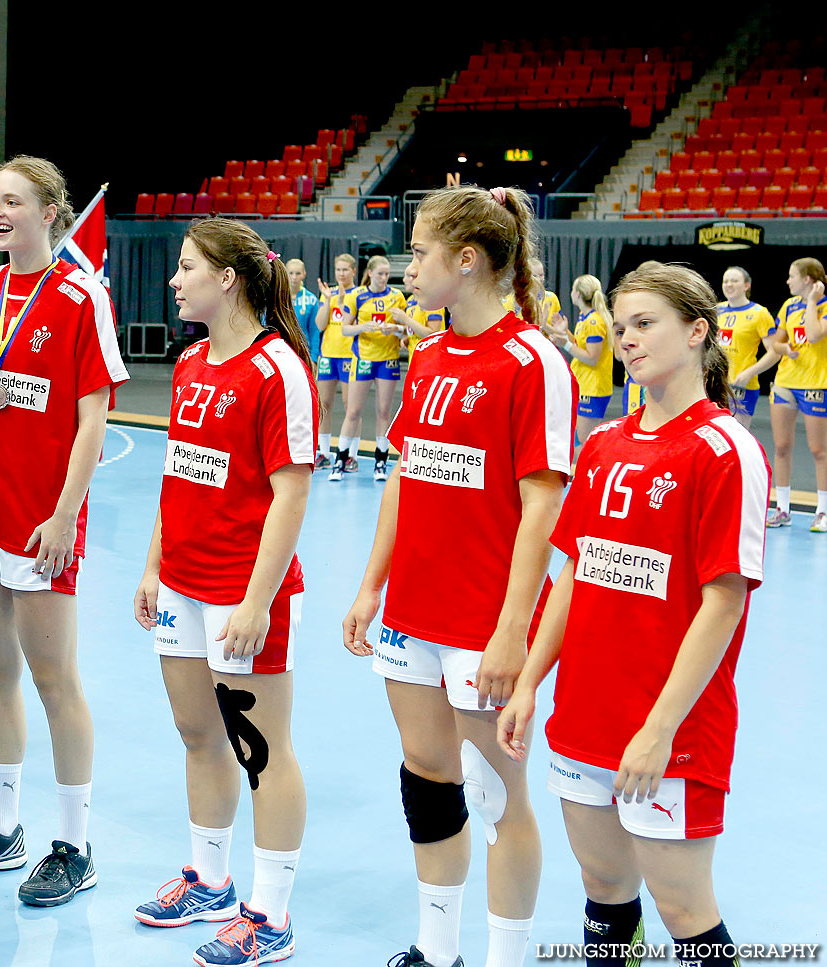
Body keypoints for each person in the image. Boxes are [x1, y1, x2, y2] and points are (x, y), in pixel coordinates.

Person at [499, 261, 768, 967]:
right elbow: (576, 572)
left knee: (683, 909)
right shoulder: (605, 445)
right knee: (603, 886)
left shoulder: (723, 449)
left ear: (697, 331)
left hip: (669, 728)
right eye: (620, 328)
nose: (627, 340)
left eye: (645, 324)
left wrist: (657, 729)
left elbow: (724, 599)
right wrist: (529, 681)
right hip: (584, 714)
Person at [342, 186, 575, 967]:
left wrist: (515, 633)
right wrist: (373, 583)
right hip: (412, 612)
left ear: (467, 260)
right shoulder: (433, 355)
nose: (407, 267)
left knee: (499, 797)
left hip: (485, 625)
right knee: (429, 781)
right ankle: (436, 948)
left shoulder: (530, 360)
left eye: (417, 252)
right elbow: (408, 472)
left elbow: (544, 503)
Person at [0, 155, 129, 908]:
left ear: (51, 212)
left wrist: (66, 512)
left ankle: (74, 844)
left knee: (54, 678)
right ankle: (1, 825)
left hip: (39, 519)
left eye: (12, 200)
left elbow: (93, 418)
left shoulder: (82, 297)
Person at [132, 218, 316, 966]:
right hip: (181, 583)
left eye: (185, 267)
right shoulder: (189, 363)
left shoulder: (277, 371)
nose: (174, 281)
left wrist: (257, 600)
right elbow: (178, 473)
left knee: (260, 750)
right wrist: (152, 566)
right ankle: (210, 879)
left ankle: (269, 914)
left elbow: (291, 495)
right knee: (197, 734)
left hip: (244, 595)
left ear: (228, 278)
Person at [764, 258, 827, 531]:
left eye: (792, 276)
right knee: (781, 447)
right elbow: (776, 343)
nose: (787, 281)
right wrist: (786, 349)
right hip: (784, 383)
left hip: (815, 385)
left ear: (807, 280)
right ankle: (782, 509)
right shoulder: (787, 305)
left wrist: (813, 302)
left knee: (818, 450)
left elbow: (815, 335)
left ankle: (823, 512)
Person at [336, 255, 405, 482]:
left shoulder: (396, 296)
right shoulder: (356, 295)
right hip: (363, 358)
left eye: (387, 274)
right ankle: (340, 460)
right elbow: (345, 330)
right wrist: (362, 326)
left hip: (388, 359)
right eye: (380, 274)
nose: (385, 278)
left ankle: (381, 462)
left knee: (384, 411)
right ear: (370, 273)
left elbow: (405, 331)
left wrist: (393, 328)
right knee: (353, 411)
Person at [548, 274, 612, 444]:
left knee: (584, 440)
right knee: (577, 438)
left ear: (577, 294)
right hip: (584, 383)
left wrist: (565, 344)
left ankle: (590, 470)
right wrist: (562, 332)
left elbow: (592, 358)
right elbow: (578, 346)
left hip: (593, 387)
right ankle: (578, 470)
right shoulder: (585, 318)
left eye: (572, 289)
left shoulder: (594, 322)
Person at [717, 266, 778, 429]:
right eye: (726, 281)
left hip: (741, 386)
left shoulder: (759, 313)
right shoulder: (717, 310)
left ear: (746, 285)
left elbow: (775, 352)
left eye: (734, 281)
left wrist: (750, 372)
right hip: (716, 384)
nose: (729, 284)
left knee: (737, 438)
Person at [314, 254, 358, 476]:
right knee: (324, 404)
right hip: (328, 354)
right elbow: (320, 325)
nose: (341, 274)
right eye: (338, 270)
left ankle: (351, 455)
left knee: (351, 405)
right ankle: (323, 453)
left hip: (351, 355)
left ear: (353, 271)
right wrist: (328, 300)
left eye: (345, 270)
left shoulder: (359, 295)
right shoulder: (328, 294)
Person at [286, 257, 320, 399]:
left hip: (302, 353)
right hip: (281, 351)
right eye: (291, 273)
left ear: (304, 274)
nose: (294, 277)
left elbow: (315, 331)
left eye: (298, 273)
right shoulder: (276, 296)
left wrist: (313, 358)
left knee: (303, 394)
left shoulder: (311, 300)